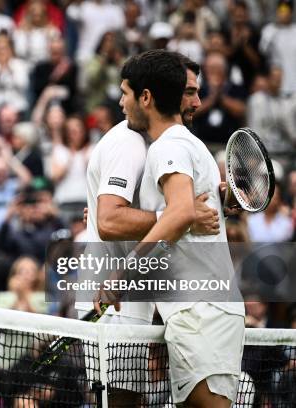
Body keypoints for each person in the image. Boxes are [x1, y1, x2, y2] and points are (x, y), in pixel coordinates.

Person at [79, 53, 223, 406]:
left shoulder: (165, 144)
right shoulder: (129, 143)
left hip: (140, 297)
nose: (195, 102)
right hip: (112, 301)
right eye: (188, 91)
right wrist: (182, 214)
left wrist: (211, 203)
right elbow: (110, 220)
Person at [111, 49, 245, 408]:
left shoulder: (169, 144)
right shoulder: (186, 144)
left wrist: (124, 273)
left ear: (146, 98)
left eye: (126, 93)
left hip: (201, 311)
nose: (122, 102)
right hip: (201, 310)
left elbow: (181, 212)